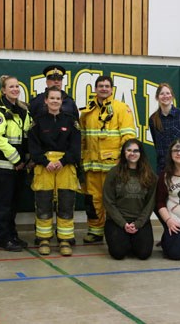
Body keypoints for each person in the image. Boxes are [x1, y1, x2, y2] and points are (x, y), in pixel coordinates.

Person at [79, 75, 136, 244]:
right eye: (100, 86)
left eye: (107, 86)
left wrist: (124, 162)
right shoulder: (87, 112)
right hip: (91, 167)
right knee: (92, 201)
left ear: (112, 89)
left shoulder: (121, 109)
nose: (104, 88)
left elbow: (128, 137)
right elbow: (82, 139)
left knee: (114, 201)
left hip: (114, 167)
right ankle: (95, 232)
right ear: (95, 89)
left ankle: (116, 231)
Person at [28, 86, 81, 256]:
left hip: (65, 168)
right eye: (52, 98)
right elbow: (33, 147)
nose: (55, 101)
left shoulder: (71, 121)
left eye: (58, 99)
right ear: (46, 100)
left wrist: (63, 161)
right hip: (44, 168)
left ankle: (65, 240)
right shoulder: (37, 121)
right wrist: (45, 162)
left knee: (66, 204)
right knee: (43, 205)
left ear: (62, 101)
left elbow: (76, 147)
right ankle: (44, 239)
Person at [0, 75, 32, 252]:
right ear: (3, 90)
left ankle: (13, 235)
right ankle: (3, 239)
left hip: (20, 167)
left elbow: (27, 137)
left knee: (14, 205)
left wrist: (27, 160)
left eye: (17, 86)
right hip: (3, 167)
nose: (15, 89)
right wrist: (17, 160)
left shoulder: (23, 111)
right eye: (11, 87)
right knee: (3, 205)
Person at [103, 139, 157, 260]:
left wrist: (138, 224)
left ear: (141, 153)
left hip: (140, 221)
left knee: (144, 254)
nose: (132, 153)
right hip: (117, 221)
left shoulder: (149, 175)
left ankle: (132, 239)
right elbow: (108, 201)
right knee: (118, 253)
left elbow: (150, 203)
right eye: (129, 150)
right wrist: (123, 224)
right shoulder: (114, 173)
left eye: (136, 151)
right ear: (123, 153)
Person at [149, 83, 180, 174]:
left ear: (172, 96)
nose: (165, 96)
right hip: (164, 169)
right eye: (162, 94)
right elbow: (157, 145)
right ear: (157, 97)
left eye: (168, 93)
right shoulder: (153, 119)